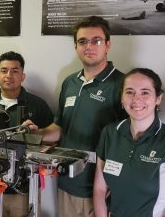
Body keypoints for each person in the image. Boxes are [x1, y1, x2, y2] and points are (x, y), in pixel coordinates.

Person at [34, 16, 126, 217]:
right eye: (82, 41)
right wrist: (36, 133)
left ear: (108, 45)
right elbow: (59, 128)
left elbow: (128, 144)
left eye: (96, 41)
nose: (89, 46)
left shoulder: (123, 85)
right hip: (66, 183)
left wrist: (114, 185)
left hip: (101, 190)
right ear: (76, 46)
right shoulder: (69, 82)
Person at [93, 68, 165, 216]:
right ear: (121, 97)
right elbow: (99, 190)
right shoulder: (109, 133)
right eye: (129, 92)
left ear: (158, 98)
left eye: (145, 92)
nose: (136, 99)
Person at [0, 51, 54, 217]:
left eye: (15, 71)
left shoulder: (38, 105)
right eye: (4, 70)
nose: (8, 75)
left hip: (23, 191)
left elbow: (52, 141)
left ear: (23, 75)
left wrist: (37, 135)